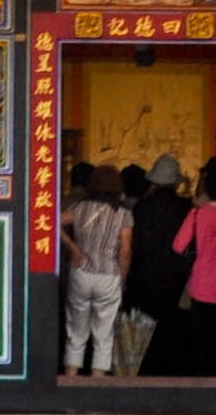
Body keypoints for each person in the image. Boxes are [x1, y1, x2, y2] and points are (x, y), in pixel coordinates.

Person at [162, 154, 216, 378]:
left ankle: (206, 386)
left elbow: (178, 246)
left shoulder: (199, 214)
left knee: (204, 344)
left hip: (203, 288)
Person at [56, 164, 134, 376]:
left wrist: (74, 248)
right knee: (104, 333)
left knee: (76, 332)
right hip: (109, 275)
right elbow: (125, 251)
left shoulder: (79, 207)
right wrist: (122, 279)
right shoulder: (123, 213)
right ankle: (96, 383)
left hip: (81, 272)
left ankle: (71, 378)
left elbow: (52, 223)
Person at [120, 157, 190, 375]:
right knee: (173, 329)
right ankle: (173, 369)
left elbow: (134, 244)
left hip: (144, 277)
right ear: (176, 182)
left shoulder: (142, 207)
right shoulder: (186, 208)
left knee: (145, 330)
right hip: (176, 279)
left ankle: (146, 369)